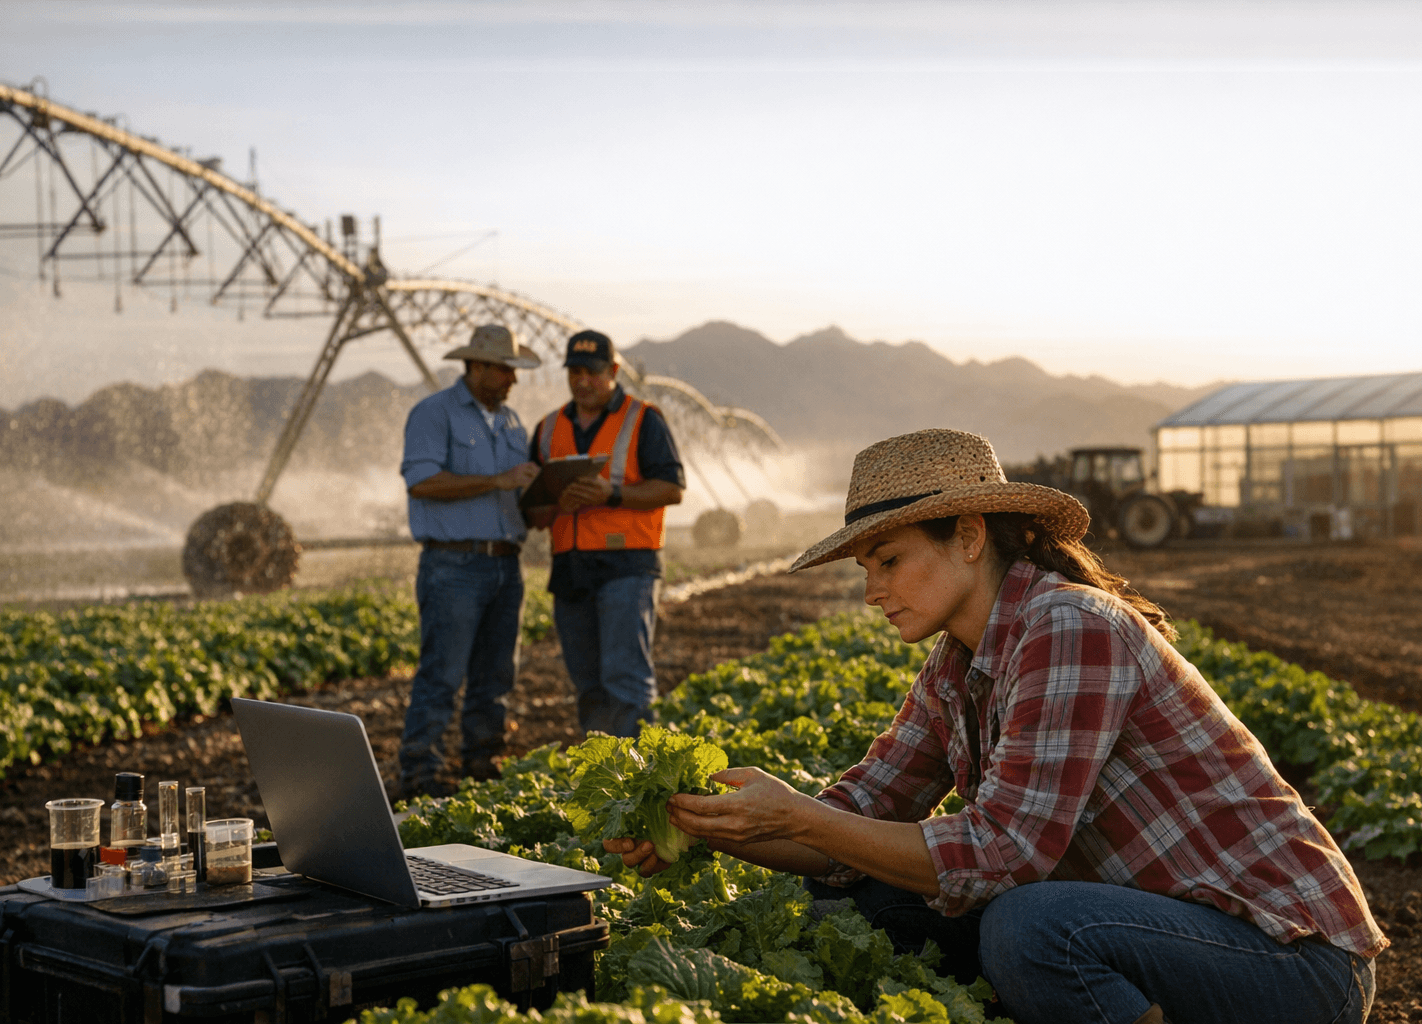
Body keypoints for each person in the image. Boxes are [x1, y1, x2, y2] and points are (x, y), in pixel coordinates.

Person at [609, 428, 1384, 1024]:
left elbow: (1005, 854)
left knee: (1029, 929)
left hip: (1292, 961)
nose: (872, 591)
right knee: (862, 899)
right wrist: (710, 825)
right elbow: (856, 815)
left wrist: (799, 817)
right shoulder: (955, 665)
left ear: (970, 536)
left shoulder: (1070, 625)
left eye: (888, 560)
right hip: (1154, 934)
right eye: (865, 569)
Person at [397, 324, 542, 799]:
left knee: (496, 676)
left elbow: (516, 493)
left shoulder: (513, 422)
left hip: (506, 564)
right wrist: (498, 480)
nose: (512, 379)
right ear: (476, 366)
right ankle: (421, 777)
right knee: (442, 674)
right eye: (504, 369)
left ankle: (482, 766)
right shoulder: (434, 413)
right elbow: (422, 482)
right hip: (454, 565)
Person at [525, 329, 684, 738]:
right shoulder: (547, 428)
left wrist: (610, 494)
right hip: (570, 568)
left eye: (592, 372)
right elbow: (533, 512)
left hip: (627, 564)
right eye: (575, 372)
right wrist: (552, 500)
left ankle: (636, 768)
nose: (583, 380)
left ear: (613, 371)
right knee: (588, 685)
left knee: (625, 679)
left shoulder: (643, 418)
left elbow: (672, 489)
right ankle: (603, 767)